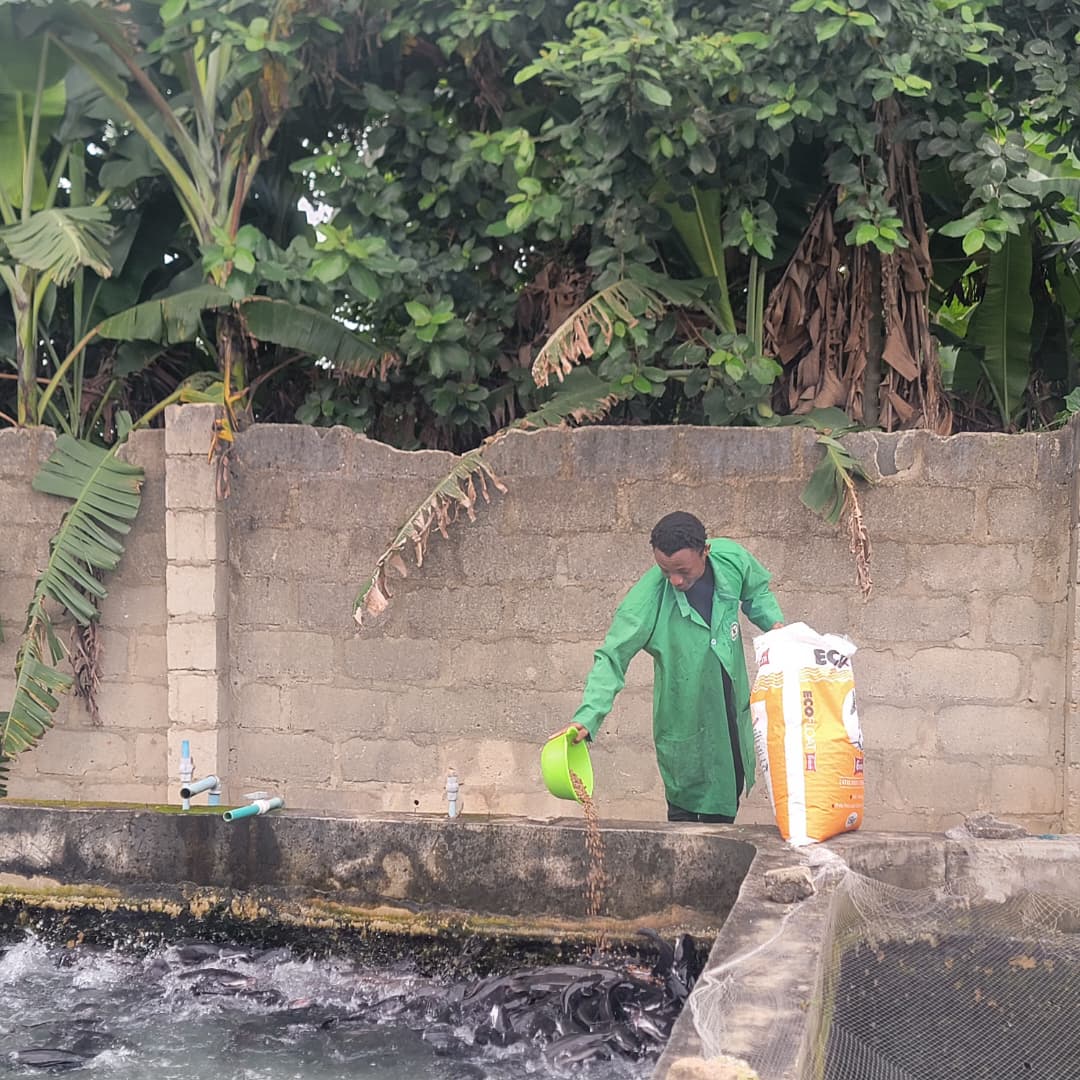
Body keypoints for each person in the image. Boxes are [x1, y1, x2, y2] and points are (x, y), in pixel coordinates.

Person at [555, 511, 783, 823]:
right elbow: (611, 658)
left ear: (705, 551)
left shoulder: (731, 559)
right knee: (688, 813)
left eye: (683, 571)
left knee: (730, 789)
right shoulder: (644, 602)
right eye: (665, 571)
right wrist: (587, 717)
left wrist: (777, 627)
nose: (675, 580)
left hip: (729, 712)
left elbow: (757, 591)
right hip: (684, 724)